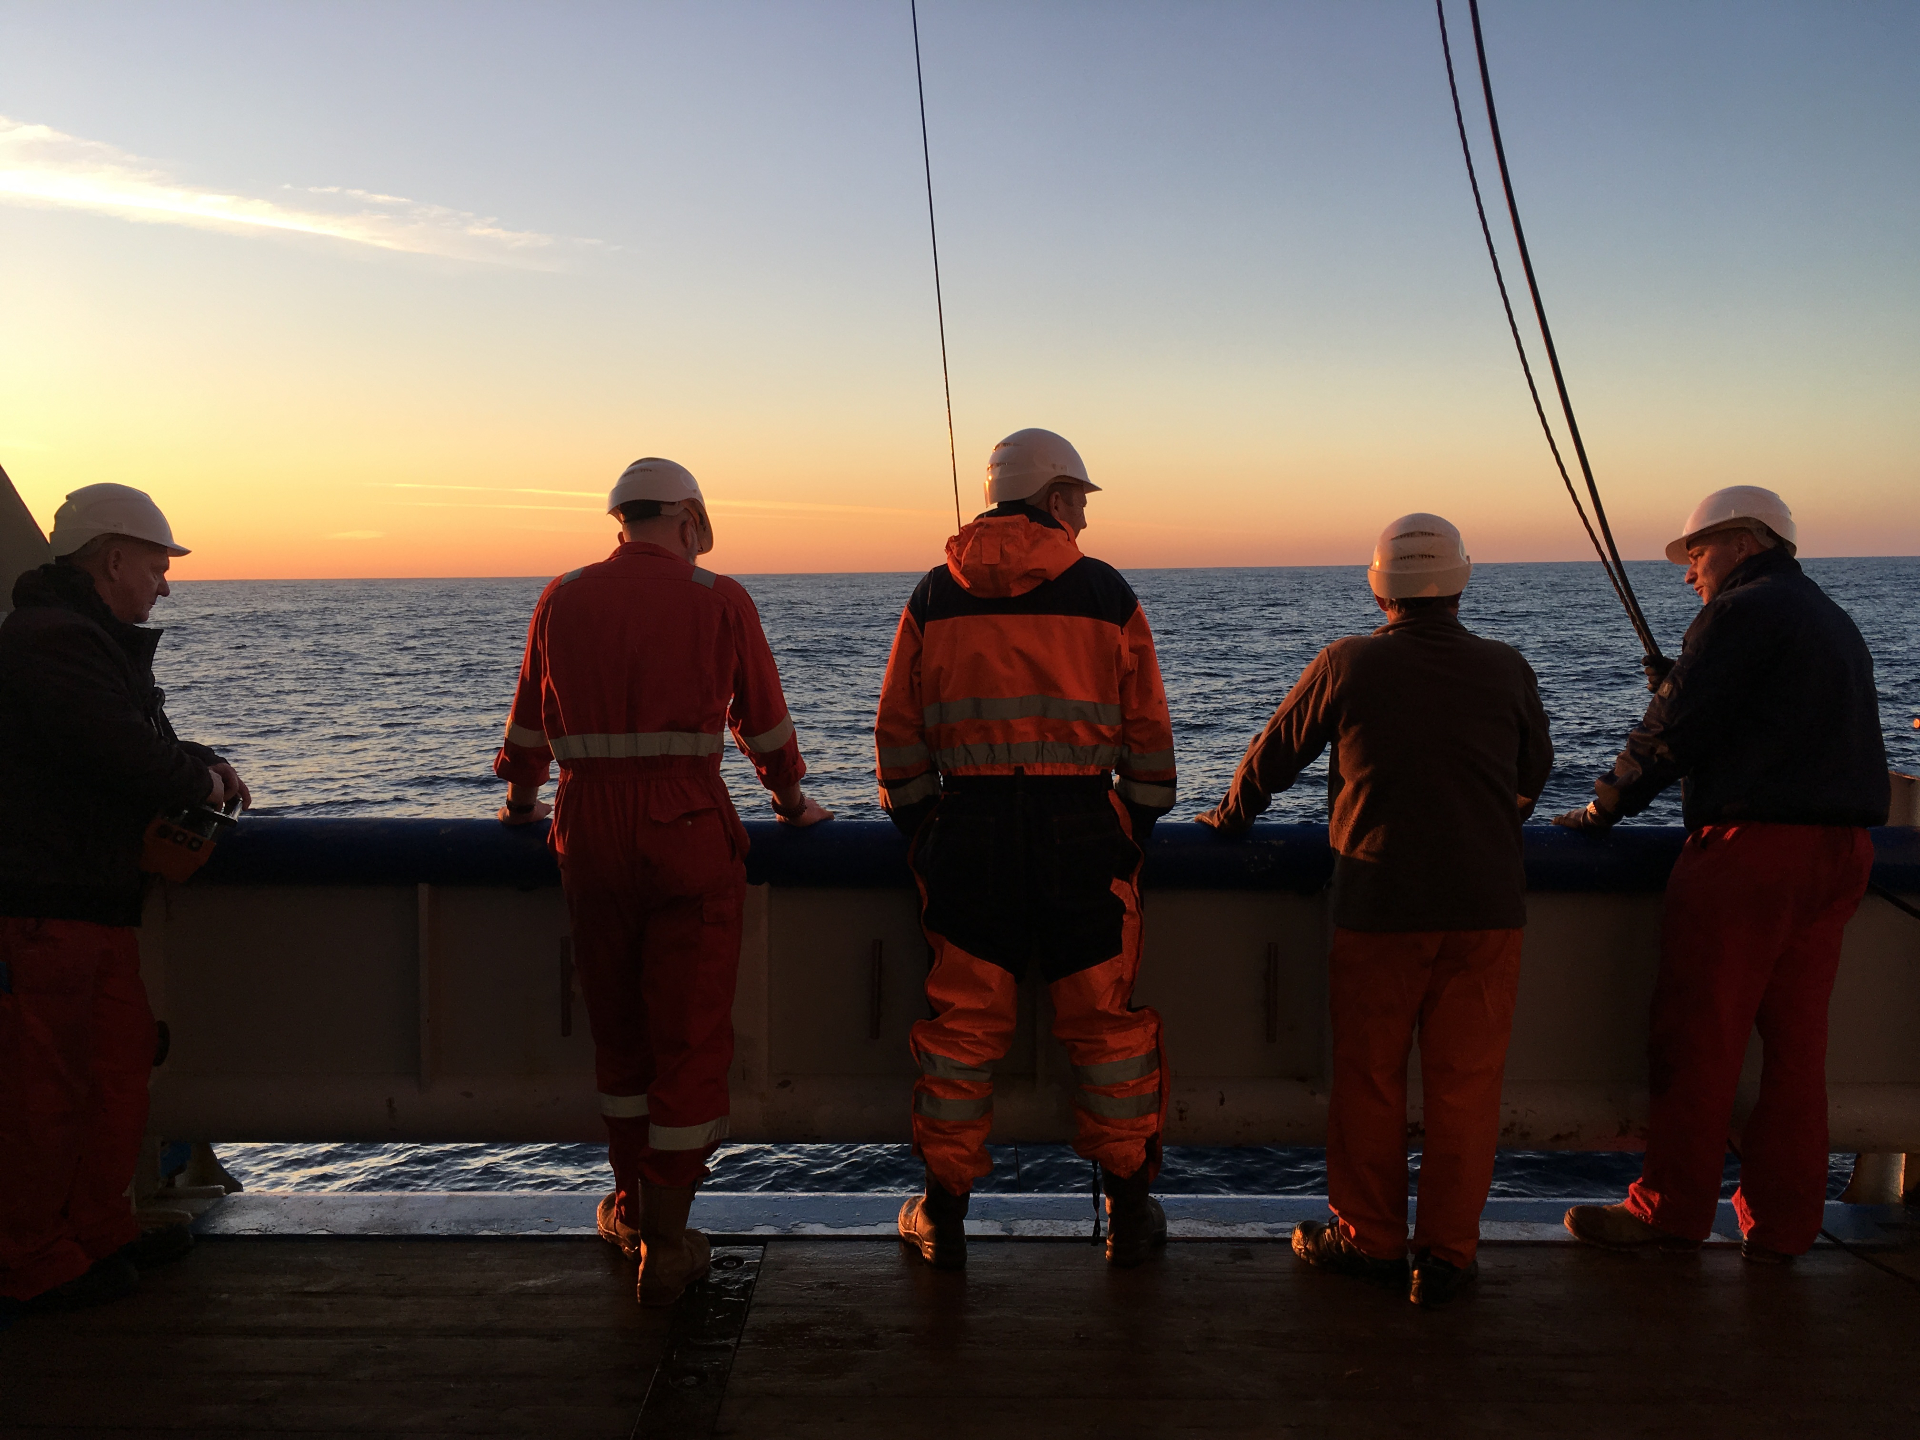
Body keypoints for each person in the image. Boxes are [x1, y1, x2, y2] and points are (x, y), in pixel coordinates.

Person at [494, 457, 830, 1307]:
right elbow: (764, 721)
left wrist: (522, 800)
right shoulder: (719, 597)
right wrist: (792, 801)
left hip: (588, 835)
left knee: (621, 1037)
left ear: (619, 520)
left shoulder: (561, 595)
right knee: (687, 1040)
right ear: (689, 517)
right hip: (685, 833)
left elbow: (531, 716)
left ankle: (630, 1205)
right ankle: (667, 1240)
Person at [1197, 514, 1552, 1308]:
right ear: (1462, 580)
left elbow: (1274, 756)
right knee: (1466, 1088)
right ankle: (1449, 1258)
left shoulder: (1349, 663)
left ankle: (1370, 1239)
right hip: (1487, 908)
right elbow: (1536, 767)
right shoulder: (1506, 667)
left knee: (1370, 1082)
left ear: (1378, 585)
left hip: (1379, 903)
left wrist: (1227, 819)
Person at [1557, 486, 1888, 1263]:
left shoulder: (1742, 613)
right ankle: (1784, 1225)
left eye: (1696, 553)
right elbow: (1769, 714)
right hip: (1838, 856)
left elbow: (1672, 728)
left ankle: (1669, 1213)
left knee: (1698, 1040)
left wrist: (1604, 807)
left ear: (1743, 539)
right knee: (1798, 1057)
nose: (1688, 574)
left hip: (1751, 853)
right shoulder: (1825, 615)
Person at [875, 427, 1178, 1270]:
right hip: (1082, 829)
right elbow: (1148, 734)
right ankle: (1128, 1209)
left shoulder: (935, 595)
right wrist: (1133, 825)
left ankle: (943, 1214)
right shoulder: (1107, 592)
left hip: (968, 829)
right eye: (1078, 499)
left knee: (964, 1027)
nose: (1082, 516)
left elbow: (898, 734)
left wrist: (927, 825)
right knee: (1104, 1027)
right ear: (1052, 498)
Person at [0, 484, 251, 1317]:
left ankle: (98, 1228)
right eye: (156, 566)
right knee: (46, 1087)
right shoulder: (52, 646)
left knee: (111, 1072)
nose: (166, 586)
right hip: (46, 905)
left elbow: (133, 736)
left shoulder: (78, 642)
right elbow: (125, 756)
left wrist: (199, 756)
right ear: (113, 560)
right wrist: (202, 777)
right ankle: (32, 1258)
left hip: (90, 901)